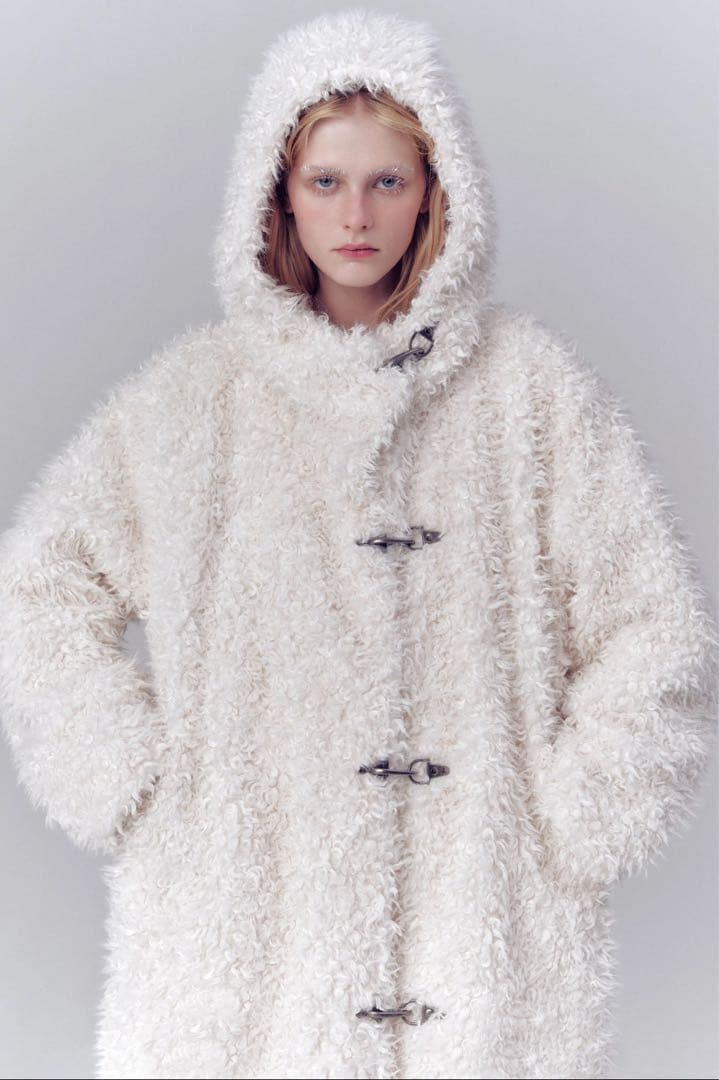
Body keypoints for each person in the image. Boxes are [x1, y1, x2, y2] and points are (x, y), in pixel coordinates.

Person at [0, 9, 716, 1080]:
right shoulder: (194, 402)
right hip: (244, 921)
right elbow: (42, 587)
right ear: (278, 191)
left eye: (387, 180)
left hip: (484, 907)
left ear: (436, 190)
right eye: (325, 181)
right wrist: (137, 785)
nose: (354, 215)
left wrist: (580, 815)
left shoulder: (529, 391)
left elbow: (652, 619)